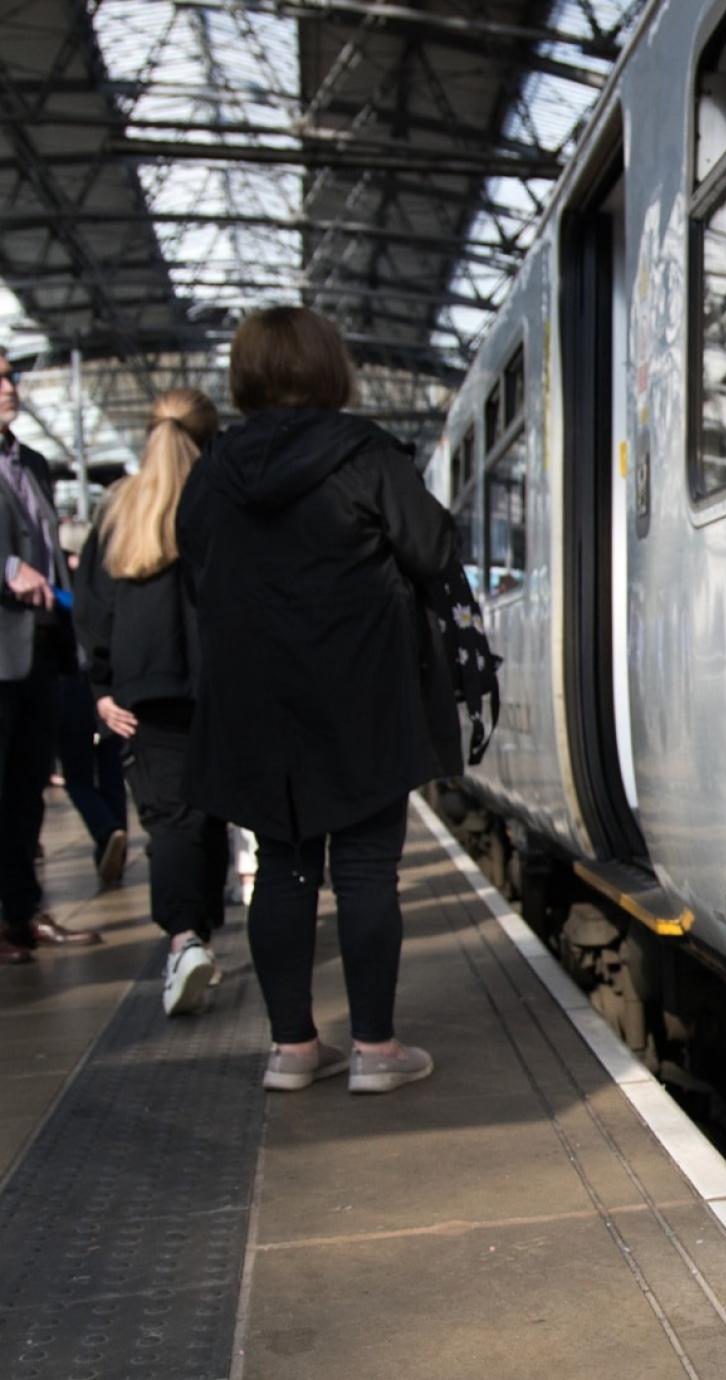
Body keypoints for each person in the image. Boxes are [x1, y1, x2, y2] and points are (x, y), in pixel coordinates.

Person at [178, 307, 462, 1092]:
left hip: (256, 700)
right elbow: (435, 548)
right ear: (330, 368)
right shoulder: (366, 456)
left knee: (282, 868)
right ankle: (374, 1051)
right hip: (359, 691)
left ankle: (293, 1050)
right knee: (368, 867)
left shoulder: (213, 471)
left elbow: (195, 567)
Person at [75, 389, 231, 1014]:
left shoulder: (118, 508)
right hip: (220, 690)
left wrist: (101, 689)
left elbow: (93, 610)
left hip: (143, 694)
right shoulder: (223, 501)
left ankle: (184, 940)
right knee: (210, 811)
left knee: (169, 820)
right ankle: (201, 934)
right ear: (210, 435)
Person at [0, 349, 101, 964]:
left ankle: (21, 914)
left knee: (27, 787)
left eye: (8, 375)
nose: (7, 387)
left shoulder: (32, 462)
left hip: (37, 647)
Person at [57, 526, 129, 890]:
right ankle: (117, 837)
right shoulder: (108, 579)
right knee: (111, 767)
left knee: (79, 776)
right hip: (109, 684)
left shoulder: (62, 591)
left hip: (75, 683)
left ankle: (106, 829)